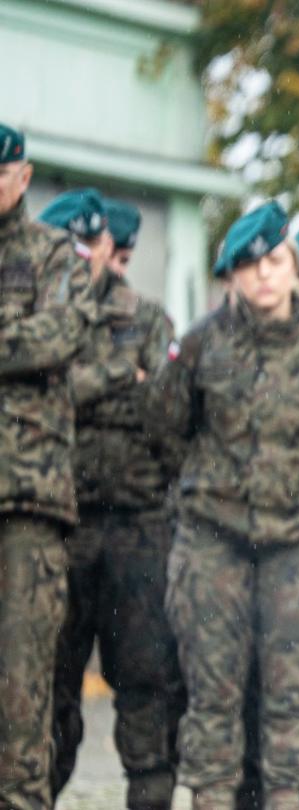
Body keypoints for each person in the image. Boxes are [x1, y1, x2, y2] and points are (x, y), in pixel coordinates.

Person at [149, 201, 299, 810]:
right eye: (248, 265)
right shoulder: (199, 344)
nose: (263, 274)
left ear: (292, 266)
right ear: (232, 277)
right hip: (214, 541)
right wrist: (214, 489)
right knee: (212, 698)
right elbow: (166, 429)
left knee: (293, 699)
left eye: (274, 261)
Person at [49, 195, 183, 810]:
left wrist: (78, 393)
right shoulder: (43, 317)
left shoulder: (148, 321)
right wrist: (116, 377)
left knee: (146, 680)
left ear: (108, 248)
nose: (79, 259)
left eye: (88, 247)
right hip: (61, 527)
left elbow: (168, 418)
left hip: (139, 528)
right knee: (48, 684)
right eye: (66, 248)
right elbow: (43, 400)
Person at [0, 122, 98, 810]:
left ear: (23, 177)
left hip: (25, 506)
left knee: (20, 699)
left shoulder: (53, 253)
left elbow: (58, 334)